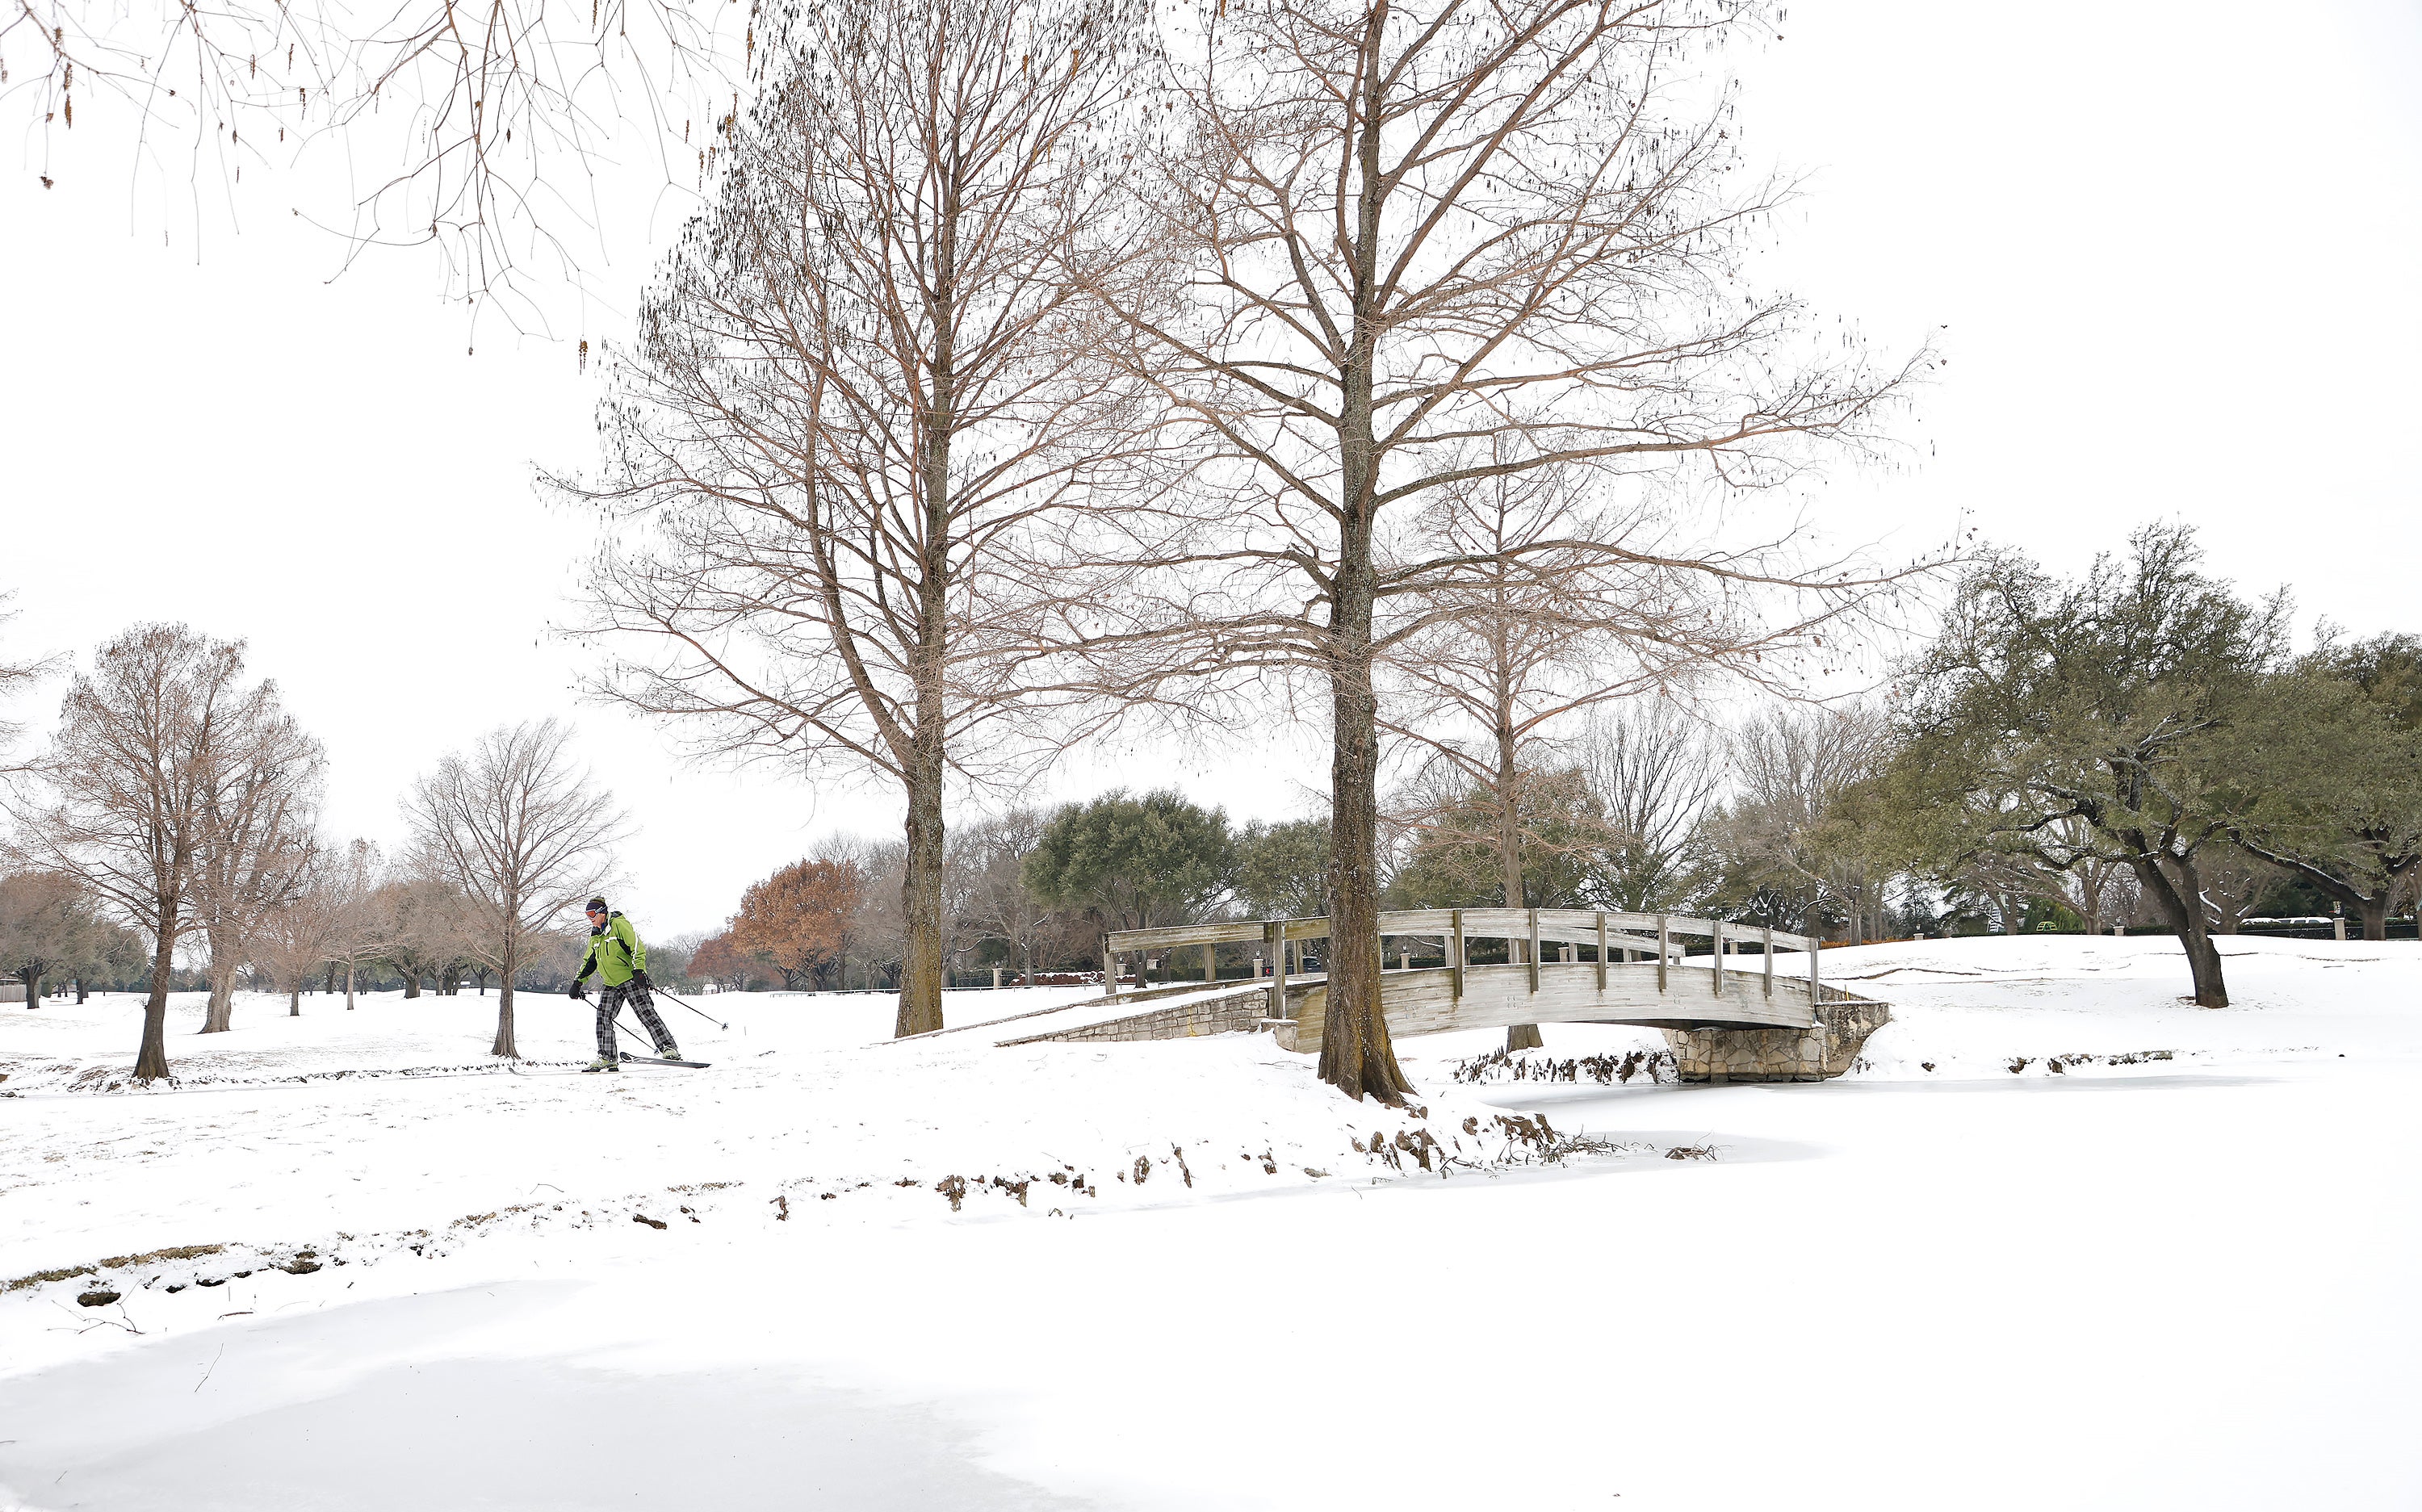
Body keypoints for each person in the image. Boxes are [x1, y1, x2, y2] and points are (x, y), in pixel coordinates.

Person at [569, 897, 678, 1071]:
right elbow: (590, 960)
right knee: (603, 1018)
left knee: (645, 1013)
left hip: (630, 978)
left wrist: (639, 971)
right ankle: (607, 1057)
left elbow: (637, 947)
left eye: (592, 914)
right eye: (587, 915)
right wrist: (578, 982)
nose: (590, 918)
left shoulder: (619, 925)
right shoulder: (595, 935)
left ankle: (669, 1048)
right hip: (610, 983)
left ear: (602, 912)